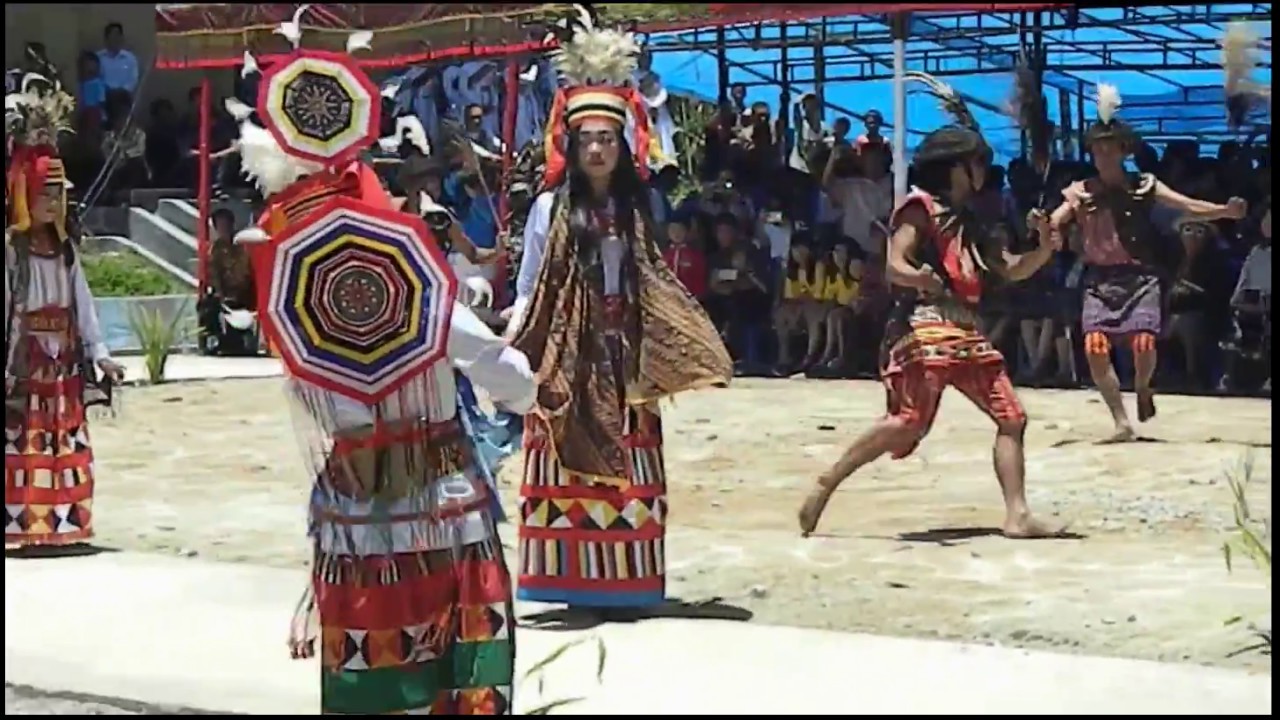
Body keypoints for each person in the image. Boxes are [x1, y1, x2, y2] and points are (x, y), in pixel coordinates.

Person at [230, 32, 530, 715]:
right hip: (441, 501)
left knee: (376, 670)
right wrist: (527, 392)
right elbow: (489, 360)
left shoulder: (297, 302)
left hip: (352, 508)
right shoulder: (403, 284)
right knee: (461, 664)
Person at [506, 11, 732, 616]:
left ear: (623, 143)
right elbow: (529, 285)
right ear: (572, 146)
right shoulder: (549, 210)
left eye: (607, 137)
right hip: (568, 353)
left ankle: (626, 581)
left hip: (625, 353)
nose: (598, 148)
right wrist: (517, 349)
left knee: (630, 460)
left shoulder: (642, 208)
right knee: (565, 456)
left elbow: (656, 283)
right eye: (587, 139)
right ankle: (566, 580)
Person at [796, 73, 1063, 540]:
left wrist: (1043, 248)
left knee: (1011, 418)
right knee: (907, 424)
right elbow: (895, 262)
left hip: (967, 332)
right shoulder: (919, 208)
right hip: (925, 327)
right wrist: (918, 277)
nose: (984, 172)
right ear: (958, 168)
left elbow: (1011, 269)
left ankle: (1017, 514)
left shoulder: (977, 221)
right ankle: (828, 481)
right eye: (977, 163)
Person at [1044, 85, 1247, 441]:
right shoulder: (1081, 190)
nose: (1104, 154)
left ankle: (1141, 385)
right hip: (1099, 279)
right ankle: (1121, 422)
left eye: (1110, 147)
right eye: (1098, 148)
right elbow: (1055, 219)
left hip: (1140, 277)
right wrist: (1044, 226)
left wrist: (1223, 211)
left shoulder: (1145, 184)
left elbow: (1185, 204)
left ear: (1124, 150)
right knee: (1095, 347)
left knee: (1142, 344)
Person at [6, 71, 125, 549]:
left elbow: (85, 305)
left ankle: (63, 525)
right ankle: (19, 528)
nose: (55, 203)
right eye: (47, 194)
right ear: (25, 196)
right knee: (21, 443)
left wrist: (100, 354)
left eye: (60, 194)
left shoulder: (66, 252)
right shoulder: (12, 254)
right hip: (25, 363)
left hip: (63, 365)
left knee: (63, 443)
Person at [97, 22, 140, 95]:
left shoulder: (130, 58)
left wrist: (121, 92)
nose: (116, 39)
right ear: (106, 38)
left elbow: (133, 80)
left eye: (118, 35)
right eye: (113, 36)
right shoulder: (98, 58)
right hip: (103, 97)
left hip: (124, 98)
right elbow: (96, 80)